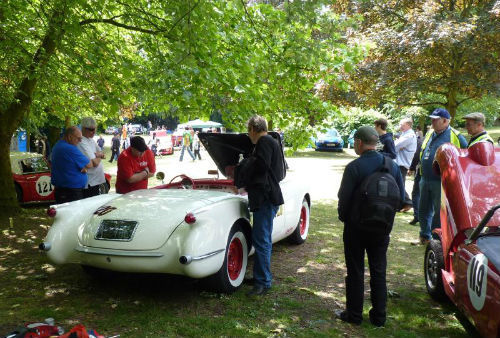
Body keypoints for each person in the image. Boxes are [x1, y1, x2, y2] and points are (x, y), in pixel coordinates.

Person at [336, 126, 405, 326]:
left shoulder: (354, 167)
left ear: (358, 142)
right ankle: (379, 317)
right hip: (382, 228)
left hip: (355, 229)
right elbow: (400, 200)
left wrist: (345, 219)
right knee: (379, 270)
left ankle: (354, 315)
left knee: (355, 270)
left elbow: (344, 200)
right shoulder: (391, 165)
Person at [244, 115, 285, 296]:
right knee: (261, 238)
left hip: (265, 198)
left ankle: (263, 282)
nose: (248, 135)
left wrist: (244, 165)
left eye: (248, 131)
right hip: (268, 197)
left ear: (253, 129)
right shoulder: (271, 141)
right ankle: (261, 276)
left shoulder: (264, 142)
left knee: (262, 240)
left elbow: (261, 166)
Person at [418, 108, 467, 245]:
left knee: (438, 212)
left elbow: (465, 155)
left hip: (440, 181)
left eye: (435, 120)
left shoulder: (456, 136)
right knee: (423, 209)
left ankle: (435, 240)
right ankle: (424, 236)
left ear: (445, 121)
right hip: (425, 178)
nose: (432, 122)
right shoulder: (430, 133)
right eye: (432, 119)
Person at [51, 126, 97, 204]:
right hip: (71, 192)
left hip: (62, 190)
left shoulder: (58, 145)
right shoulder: (70, 148)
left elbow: (52, 162)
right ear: (69, 137)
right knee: (75, 215)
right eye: (78, 138)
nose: (80, 141)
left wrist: (79, 167)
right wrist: (95, 157)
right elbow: (90, 164)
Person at [77, 118, 106, 198]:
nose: (94, 131)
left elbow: (104, 154)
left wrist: (98, 155)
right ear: (83, 128)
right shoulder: (81, 141)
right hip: (89, 182)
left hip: (96, 181)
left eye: (95, 129)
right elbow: (95, 163)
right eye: (91, 129)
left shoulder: (91, 140)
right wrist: (99, 155)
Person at [394, 118, 417, 211]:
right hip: (401, 162)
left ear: (408, 125)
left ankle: (407, 203)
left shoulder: (409, 135)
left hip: (402, 163)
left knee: (399, 184)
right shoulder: (405, 134)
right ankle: (405, 203)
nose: (400, 126)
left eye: (402, 124)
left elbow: (395, 146)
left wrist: (397, 145)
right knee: (399, 183)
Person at [408, 131, 423, 225]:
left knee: (416, 194)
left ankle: (417, 216)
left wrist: (412, 167)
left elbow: (417, 154)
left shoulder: (424, 140)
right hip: (431, 173)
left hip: (422, 172)